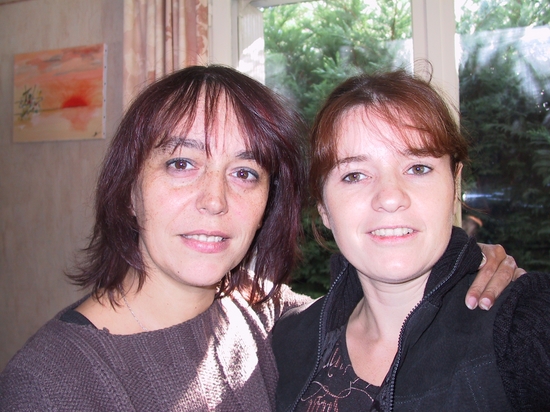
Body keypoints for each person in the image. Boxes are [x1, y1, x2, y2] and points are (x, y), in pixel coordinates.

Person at [0, 65, 520, 411]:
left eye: (245, 173)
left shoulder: (264, 317)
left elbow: (378, 298)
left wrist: (462, 264)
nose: (215, 200)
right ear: (129, 190)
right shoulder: (52, 382)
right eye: (181, 164)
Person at [273, 70, 550, 411]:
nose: (390, 197)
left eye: (418, 168)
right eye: (355, 175)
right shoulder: (286, 341)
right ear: (324, 208)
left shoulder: (524, 323)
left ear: (454, 184)